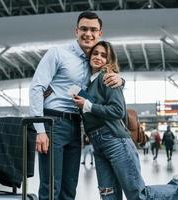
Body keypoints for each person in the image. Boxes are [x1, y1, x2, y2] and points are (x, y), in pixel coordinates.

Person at [73, 41, 178, 200]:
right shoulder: (89, 83)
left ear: (109, 61)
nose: (98, 57)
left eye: (104, 55)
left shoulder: (107, 78)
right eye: (95, 53)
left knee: (138, 196)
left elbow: (118, 111)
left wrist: (88, 106)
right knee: (108, 196)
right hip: (98, 145)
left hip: (115, 141)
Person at [29, 11, 123, 200]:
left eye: (93, 30)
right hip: (53, 123)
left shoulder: (94, 62)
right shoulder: (58, 53)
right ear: (76, 31)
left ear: (100, 34)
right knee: (51, 185)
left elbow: (104, 81)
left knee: (70, 186)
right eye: (84, 29)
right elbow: (36, 88)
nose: (88, 33)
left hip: (76, 126)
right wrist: (39, 130)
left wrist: (121, 80)